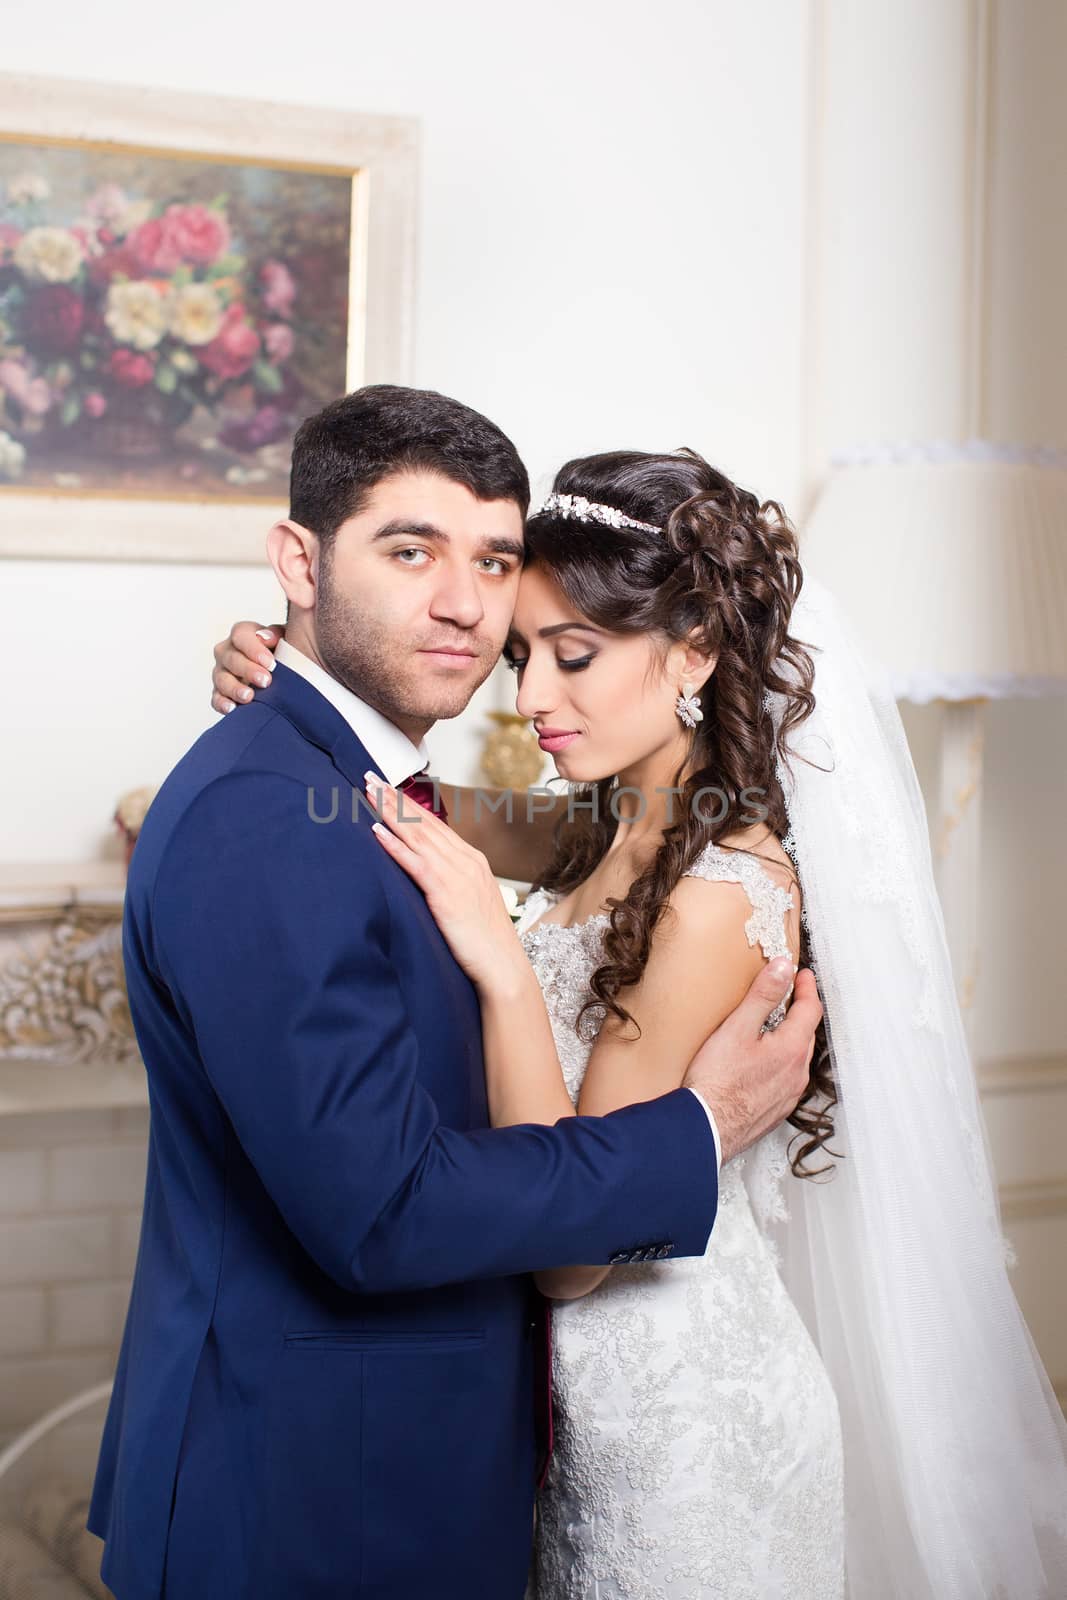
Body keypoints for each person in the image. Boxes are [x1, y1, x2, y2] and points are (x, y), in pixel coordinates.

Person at [218, 442, 1067, 1598]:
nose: (530, 699)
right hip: (582, 1422)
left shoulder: (721, 890)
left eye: (572, 656)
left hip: (684, 1440)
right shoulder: (599, 826)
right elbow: (399, 800)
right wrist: (286, 680)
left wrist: (505, 973)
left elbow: (570, 1260)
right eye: (521, 656)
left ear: (695, 651)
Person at [90, 387, 821, 1600]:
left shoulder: (618, 845)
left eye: (492, 564)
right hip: (318, 1488)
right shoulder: (286, 812)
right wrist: (691, 1135)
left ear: (692, 651)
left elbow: (465, 829)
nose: (471, 617)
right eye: (409, 550)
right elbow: (384, 1210)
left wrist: (290, 686)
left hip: (605, 1425)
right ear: (300, 561)